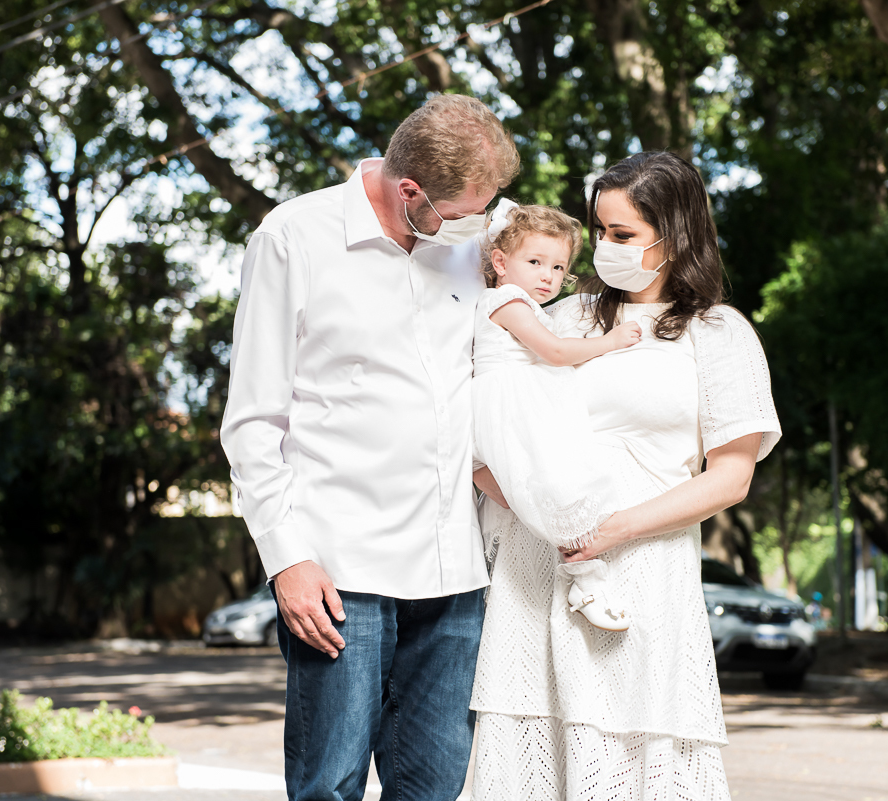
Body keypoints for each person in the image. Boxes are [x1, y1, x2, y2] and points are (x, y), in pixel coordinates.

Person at [220, 95, 519, 801]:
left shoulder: (469, 249)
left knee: (434, 787)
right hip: (338, 572)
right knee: (330, 786)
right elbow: (253, 419)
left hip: (453, 574)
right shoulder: (294, 236)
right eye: (466, 210)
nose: (480, 224)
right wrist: (286, 557)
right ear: (408, 189)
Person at [470, 151, 781, 799]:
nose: (604, 247)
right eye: (600, 230)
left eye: (622, 235)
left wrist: (612, 530)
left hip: (642, 585)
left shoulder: (718, 334)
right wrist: (541, 516)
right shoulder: (559, 320)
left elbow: (730, 478)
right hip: (537, 575)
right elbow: (488, 433)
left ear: (677, 236)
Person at [472, 200, 642, 631]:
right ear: (500, 262)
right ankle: (585, 577)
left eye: (558, 267)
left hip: (516, 397)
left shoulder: (519, 302)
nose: (548, 276)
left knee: (535, 493)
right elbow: (556, 352)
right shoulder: (507, 300)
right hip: (512, 403)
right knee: (556, 484)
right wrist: (613, 341)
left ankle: (579, 575)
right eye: (535, 262)